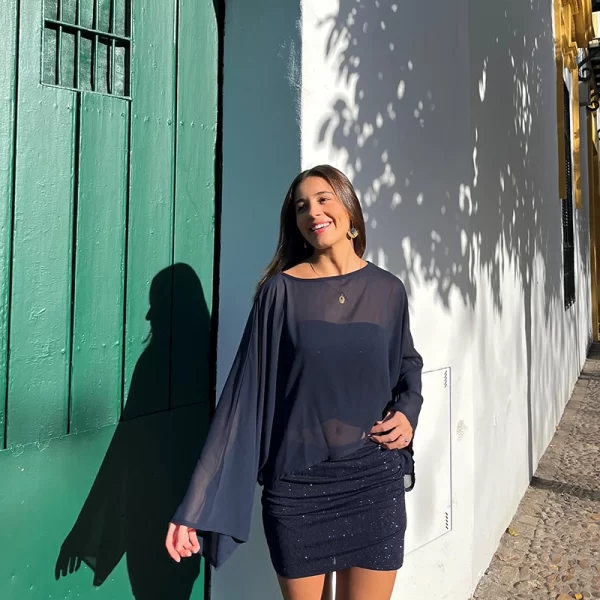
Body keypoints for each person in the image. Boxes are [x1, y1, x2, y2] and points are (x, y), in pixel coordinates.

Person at [165, 165, 423, 600]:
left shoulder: (388, 290)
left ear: (349, 209)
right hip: (299, 491)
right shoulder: (279, 292)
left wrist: (408, 411)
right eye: (301, 206)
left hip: (373, 480)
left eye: (324, 198)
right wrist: (195, 505)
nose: (313, 211)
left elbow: (407, 366)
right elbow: (241, 399)